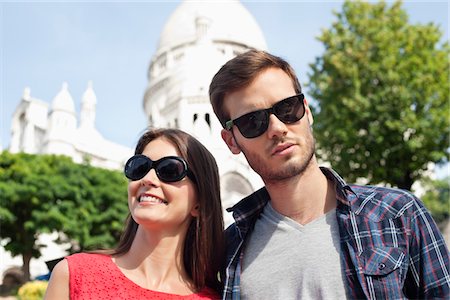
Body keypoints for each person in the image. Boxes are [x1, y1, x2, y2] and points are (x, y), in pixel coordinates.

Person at [209, 49, 450, 299]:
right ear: (231, 142)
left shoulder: (397, 213)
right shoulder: (229, 250)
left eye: (287, 108)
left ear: (307, 110)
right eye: (252, 122)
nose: (277, 128)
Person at [44, 128, 224, 299]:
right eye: (139, 167)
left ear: (199, 203)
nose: (147, 179)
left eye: (170, 170)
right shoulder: (74, 274)